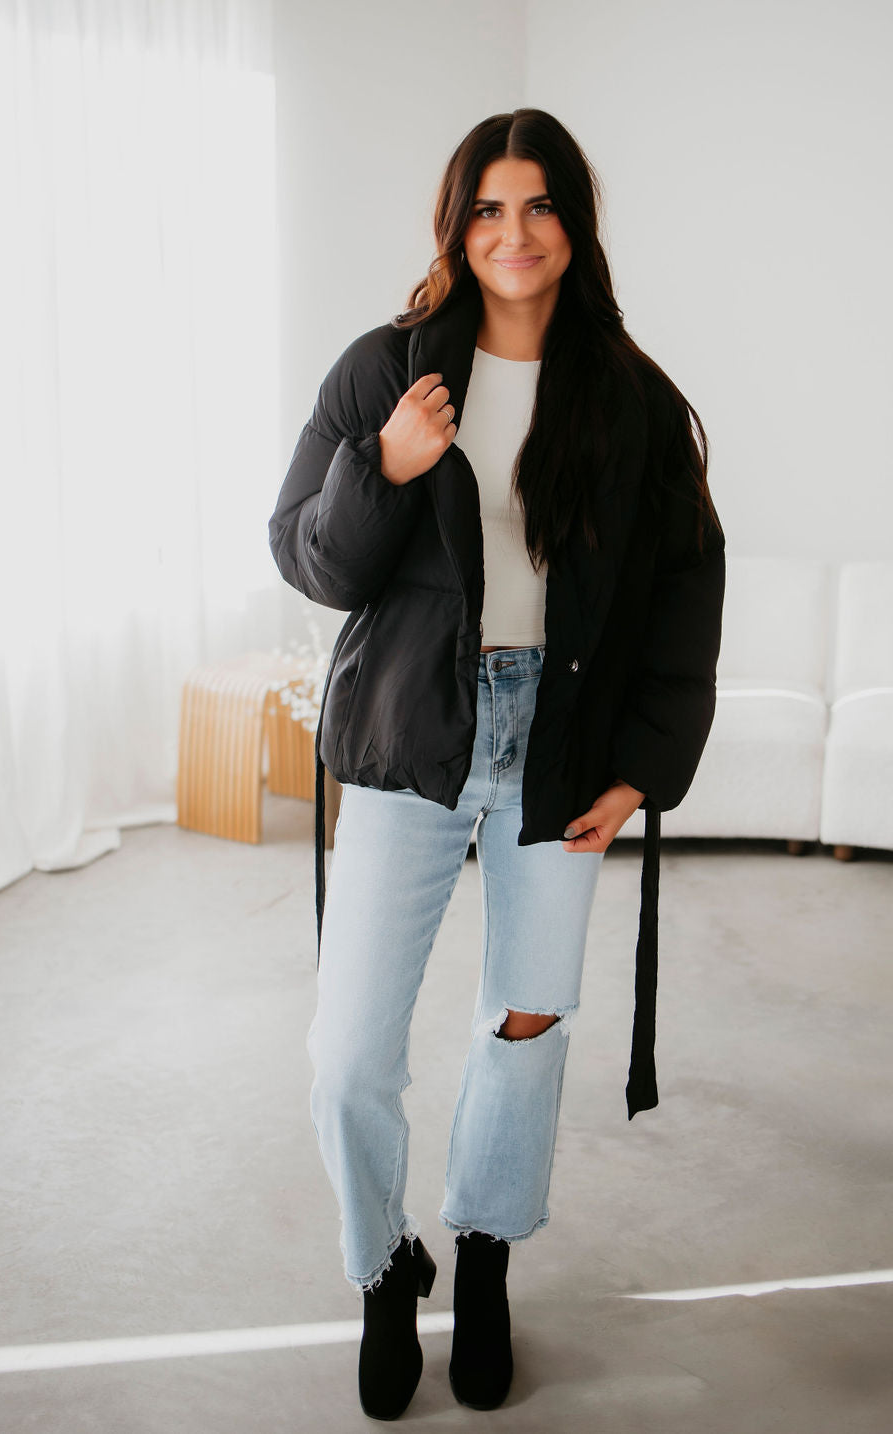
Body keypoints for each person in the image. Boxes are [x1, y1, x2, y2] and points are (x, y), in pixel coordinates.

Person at [267, 108, 725, 1420]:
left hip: (562, 743)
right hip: (410, 734)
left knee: (524, 1026)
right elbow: (309, 558)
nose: (512, 233)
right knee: (349, 1052)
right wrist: (382, 464)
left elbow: (688, 581)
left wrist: (644, 768)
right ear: (455, 224)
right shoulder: (385, 370)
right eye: (487, 208)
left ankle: (482, 1254)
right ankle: (382, 1267)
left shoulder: (632, 397)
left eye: (537, 205)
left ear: (573, 223)